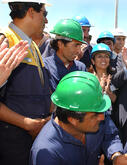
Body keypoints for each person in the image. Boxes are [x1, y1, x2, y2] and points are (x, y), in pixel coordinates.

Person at [30, 71, 127, 165]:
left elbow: (110, 135)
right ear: (73, 119)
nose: (102, 117)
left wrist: (116, 156)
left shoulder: (95, 111)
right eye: (95, 115)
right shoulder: (47, 153)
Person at [0, 1, 51, 164]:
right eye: (44, 14)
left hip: (30, 142)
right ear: (31, 11)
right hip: (10, 146)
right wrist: (28, 124)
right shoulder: (4, 41)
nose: (46, 20)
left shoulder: (32, 45)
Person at [43, 19, 86, 92]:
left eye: (80, 45)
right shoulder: (45, 67)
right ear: (60, 44)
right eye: (76, 45)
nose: (79, 51)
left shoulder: (81, 68)